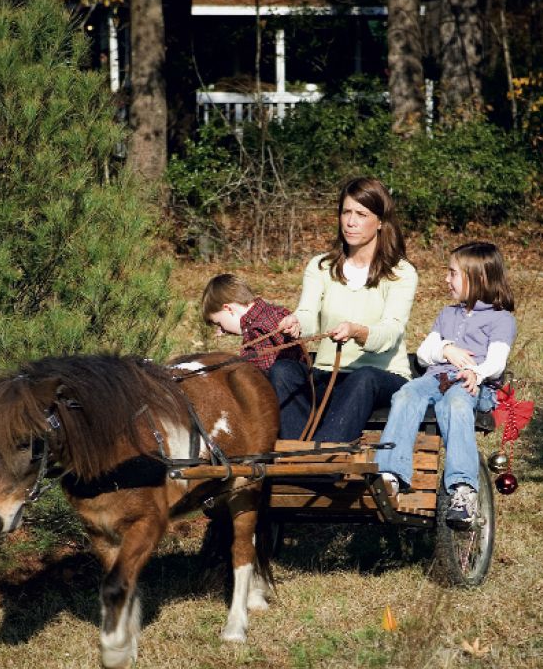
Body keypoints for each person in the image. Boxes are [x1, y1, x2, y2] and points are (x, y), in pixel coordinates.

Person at [374, 241, 516, 529]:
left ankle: (463, 488)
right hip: (435, 379)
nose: (446, 279)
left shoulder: (501, 319)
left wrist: (476, 372)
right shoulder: (448, 314)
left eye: (453, 273)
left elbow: (497, 362)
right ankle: (390, 473)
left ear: (479, 279)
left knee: (456, 402)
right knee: (406, 394)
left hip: (477, 386)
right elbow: (426, 354)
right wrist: (447, 349)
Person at [270, 177, 418, 442]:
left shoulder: (401, 273)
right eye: (346, 212)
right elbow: (307, 314)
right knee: (283, 371)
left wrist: (358, 331)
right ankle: (294, 457)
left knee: (363, 377)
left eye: (361, 214)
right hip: (328, 374)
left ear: (381, 221)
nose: (351, 222)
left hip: (382, 377)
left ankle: (324, 461)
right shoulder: (320, 267)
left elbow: (391, 331)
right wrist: (296, 323)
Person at [201, 272, 307, 374]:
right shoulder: (252, 324)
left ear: (228, 309)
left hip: (285, 384)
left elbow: (283, 361)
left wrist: (290, 326)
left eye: (220, 324)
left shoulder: (268, 319)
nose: (222, 330)